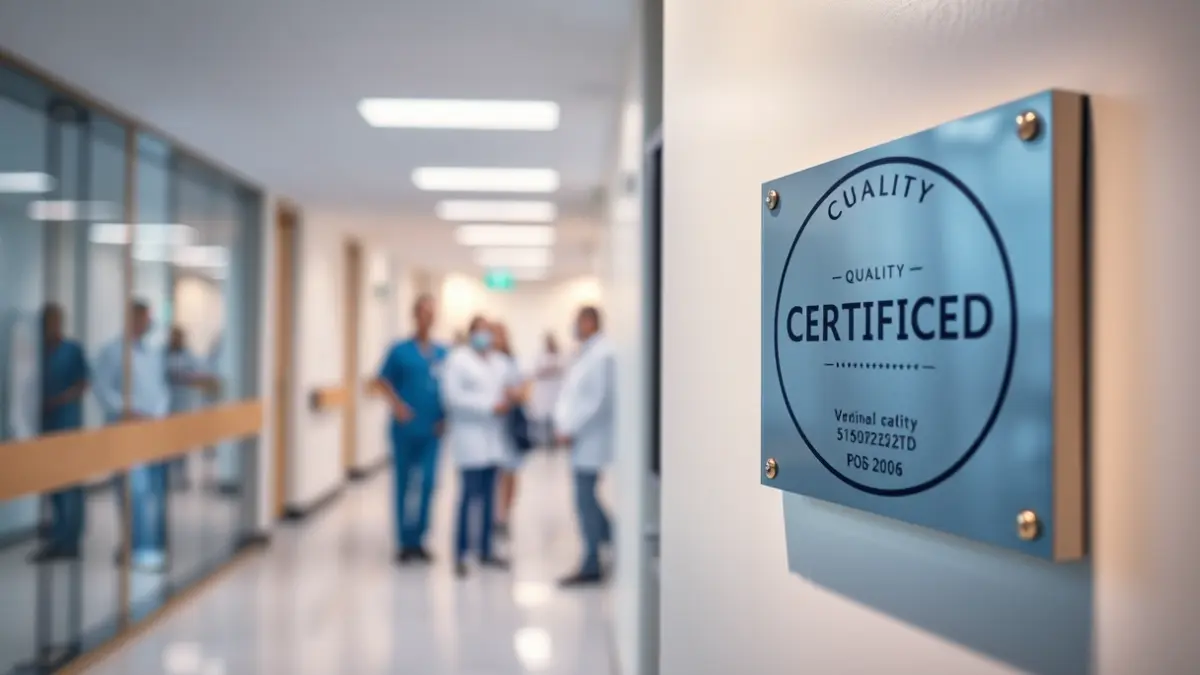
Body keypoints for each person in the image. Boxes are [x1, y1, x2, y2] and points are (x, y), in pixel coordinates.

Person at [94, 299, 171, 572]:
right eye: (143, 318)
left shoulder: (152, 353)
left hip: (153, 430)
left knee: (154, 492)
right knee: (133, 492)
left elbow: (161, 391)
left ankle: (147, 546)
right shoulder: (111, 352)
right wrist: (128, 411)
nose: (147, 323)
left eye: (148, 318)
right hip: (125, 428)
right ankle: (141, 551)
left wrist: (157, 415)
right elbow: (103, 389)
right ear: (132, 319)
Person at [376, 294, 448, 564]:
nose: (428, 317)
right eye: (424, 312)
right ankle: (405, 542)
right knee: (404, 484)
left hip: (433, 429)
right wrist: (398, 406)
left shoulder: (443, 353)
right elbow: (382, 380)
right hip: (405, 428)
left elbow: (449, 387)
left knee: (428, 483)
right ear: (415, 315)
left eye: (432, 313)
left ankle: (420, 539)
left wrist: (445, 416)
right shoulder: (399, 351)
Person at [442, 316, 514, 577]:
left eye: (489, 331)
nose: (485, 336)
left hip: (493, 440)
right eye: (480, 331)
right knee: (468, 498)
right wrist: (489, 406)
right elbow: (453, 398)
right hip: (469, 439)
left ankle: (486, 551)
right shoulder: (458, 360)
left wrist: (511, 398)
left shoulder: (498, 362)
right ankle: (460, 554)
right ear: (471, 333)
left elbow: (513, 385)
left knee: (489, 499)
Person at [554, 306, 616, 587]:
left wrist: (570, 429)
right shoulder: (587, 353)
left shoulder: (603, 354)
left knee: (584, 500)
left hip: (591, 438)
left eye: (578, 322)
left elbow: (597, 400)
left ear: (590, 322)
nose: (575, 327)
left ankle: (593, 562)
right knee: (586, 499)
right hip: (582, 439)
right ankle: (612, 541)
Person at [31, 303, 90, 562]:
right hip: (47, 427)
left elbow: (83, 383)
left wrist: (59, 400)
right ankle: (58, 537)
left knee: (70, 485)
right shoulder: (38, 352)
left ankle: (70, 540)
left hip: (68, 424)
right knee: (52, 484)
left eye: (55, 321)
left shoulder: (72, 350)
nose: (51, 327)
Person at [165, 326, 219, 490]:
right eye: (174, 337)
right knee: (167, 445)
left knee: (181, 444)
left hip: (183, 407)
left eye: (179, 337)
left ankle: (181, 477)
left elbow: (200, 373)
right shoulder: (162, 355)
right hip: (166, 408)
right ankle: (170, 477)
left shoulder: (188, 355)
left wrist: (188, 378)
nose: (176, 340)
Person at [490, 322, 527, 536]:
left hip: (510, 427)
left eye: (501, 334)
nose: (497, 339)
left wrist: (514, 393)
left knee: (510, 473)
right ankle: (495, 515)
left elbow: (524, 390)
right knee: (494, 476)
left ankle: (505, 516)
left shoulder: (513, 362)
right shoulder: (483, 361)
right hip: (490, 427)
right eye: (494, 334)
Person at [530, 333, 564, 450]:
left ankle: (554, 442)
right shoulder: (540, 356)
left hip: (556, 394)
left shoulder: (560, 356)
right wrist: (549, 370)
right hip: (543, 395)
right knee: (542, 421)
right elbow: (534, 371)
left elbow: (563, 370)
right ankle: (543, 443)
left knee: (555, 420)